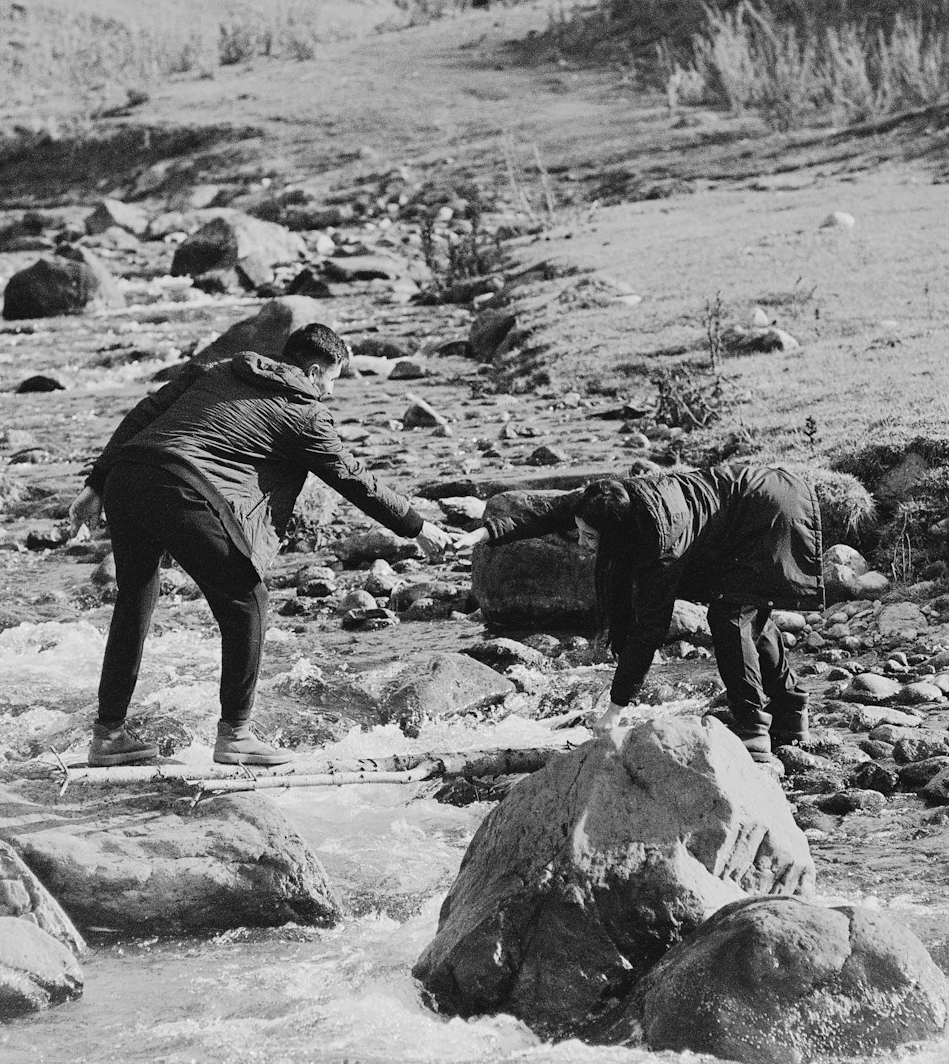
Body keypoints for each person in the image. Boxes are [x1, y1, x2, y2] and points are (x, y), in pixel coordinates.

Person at [69, 323, 452, 768]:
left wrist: (95, 484)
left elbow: (144, 412)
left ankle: (108, 735)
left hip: (129, 476)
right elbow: (352, 479)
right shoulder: (303, 412)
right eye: (331, 381)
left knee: (135, 598)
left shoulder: (219, 369)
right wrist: (416, 525)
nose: (329, 392)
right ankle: (236, 737)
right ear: (313, 371)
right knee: (247, 600)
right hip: (182, 489)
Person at [457, 463, 823, 763]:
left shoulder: (659, 545)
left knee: (730, 617)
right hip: (751, 502)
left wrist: (616, 707)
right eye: (581, 533)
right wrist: (487, 533)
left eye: (591, 539)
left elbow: (648, 630)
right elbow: (551, 512)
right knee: (748, 611)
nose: (582, 544)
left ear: (617, 536)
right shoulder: (604, 499)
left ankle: (753, 733)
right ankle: (790, 712)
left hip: (769, 514)